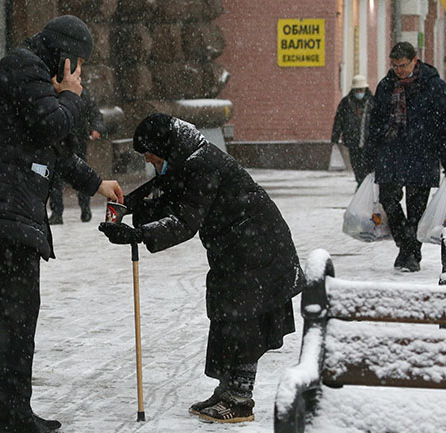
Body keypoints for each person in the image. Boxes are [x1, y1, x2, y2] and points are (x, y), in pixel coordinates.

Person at [0, 15, 123, 433]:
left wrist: (98, 184)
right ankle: (11, 413)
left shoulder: (33, 75)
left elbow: (57, 153)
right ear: (65, 57)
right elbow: (53, 124)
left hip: (4, 209)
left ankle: (7, 409)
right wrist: (73, 96)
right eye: (78, 63)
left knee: (17, 313)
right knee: (18, 314)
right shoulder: (25, 67)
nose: (79, 72)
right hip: (1, 210)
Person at [98, 113, 304, 424]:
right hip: (238, 249)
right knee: (226, 311)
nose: (152, 164)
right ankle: (227, 390)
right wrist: (128, 204)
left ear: (164, 148)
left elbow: (184, 220)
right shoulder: (186, 156)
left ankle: (240, 399)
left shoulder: (200, 163)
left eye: (152, 158)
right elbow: (165, 190)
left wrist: (139, 235)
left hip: (258, 249)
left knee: (243, 318)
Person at [365, 41, 446, 272]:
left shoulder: (433, 85)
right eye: (395, 65)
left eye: (403, 65)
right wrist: (370, 155)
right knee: (389, 199)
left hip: (422, 152)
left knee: (416, 208)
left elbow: (445, 123)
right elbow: (375, 122)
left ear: (415, 60)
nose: (399, 70)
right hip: (391, 151)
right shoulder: (386, 86)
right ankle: (408, 247)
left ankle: (410, 254)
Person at [48, 89, 105, 224]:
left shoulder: (81, 92)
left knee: (80, 173)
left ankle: (85, 208)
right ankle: (57, 212)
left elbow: (94, 112)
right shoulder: (50, 92)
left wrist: (96, 127)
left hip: (77, 140)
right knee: (55, 178)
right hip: (58, 141)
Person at [331, 74, 374, 187]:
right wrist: (335, 136)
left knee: (368, 168)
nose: (359, 92)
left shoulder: (372, 102)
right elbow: (339, 120)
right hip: (352, 142)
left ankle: (364, 188)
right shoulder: (346, 103)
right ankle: (361, 186)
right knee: (357, 167)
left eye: (361, 89)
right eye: (357, 90)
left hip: (368, 142)